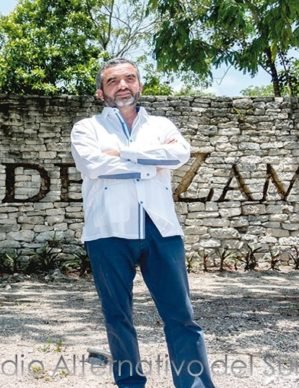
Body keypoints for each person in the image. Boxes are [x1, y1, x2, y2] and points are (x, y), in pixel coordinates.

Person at [70, 58, 215, 388]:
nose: (122, 85)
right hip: (108, 231)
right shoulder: (86, 128)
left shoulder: (162, 125)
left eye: (129, 79)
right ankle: (130, 383)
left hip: (161, 230)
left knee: (181, 316)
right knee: (118, 317)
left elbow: (178, 155)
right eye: (112, 81)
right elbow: (93, 166)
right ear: (100, 93)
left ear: (140, 85)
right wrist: (151, 161)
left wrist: (122, 154)